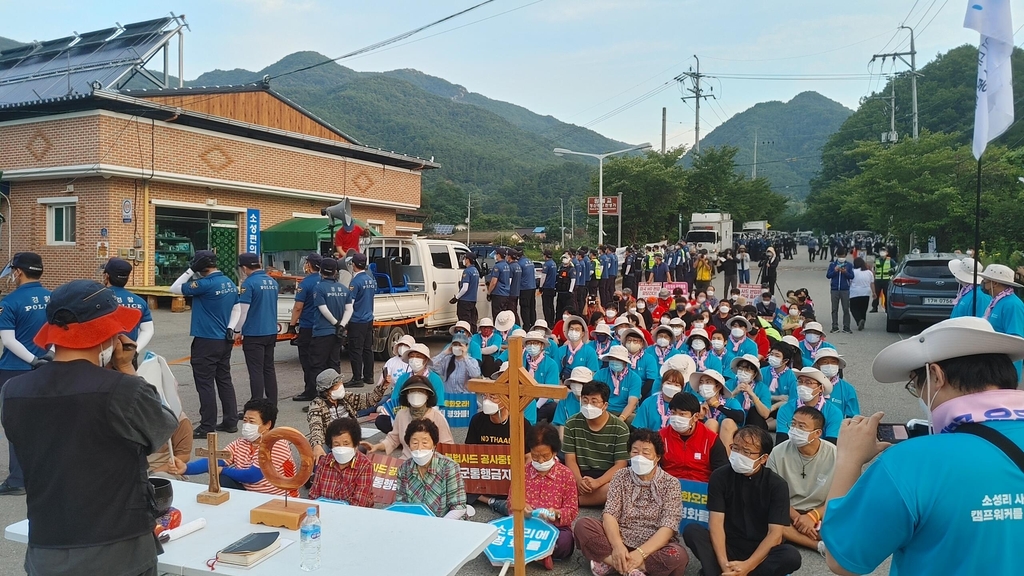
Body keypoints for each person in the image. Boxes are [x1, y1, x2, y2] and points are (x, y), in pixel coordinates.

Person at [822, 317, 1024, 575]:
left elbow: (842, 559)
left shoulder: (911, 461)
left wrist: (848, 459)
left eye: (915, 385)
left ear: (936, 376)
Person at [2, 279, 178, 573]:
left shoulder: (14, 391)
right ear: (106, 336)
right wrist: (125, 369)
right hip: (118, 547)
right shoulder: (123, 390)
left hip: (47, 545)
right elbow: (163, 427)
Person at [682, 426, 802, 576]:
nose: (739, 455)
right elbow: (716, 524)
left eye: (747, 452)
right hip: (728, 544)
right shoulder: (720, 476)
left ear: (763, 458)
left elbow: (775, 534)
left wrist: (747, 566)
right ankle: (724, 571)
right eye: (735, 448)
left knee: (791, 556)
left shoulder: (777, 485)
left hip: (760, 549)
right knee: (692, 531)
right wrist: (724, 564)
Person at [574, 428, 688, 576]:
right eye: (635, 451)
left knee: (678, 555)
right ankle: (627, 566)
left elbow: (668, 526)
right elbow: (610, 514)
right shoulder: (620, 476)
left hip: (653, 547)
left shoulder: (671, 483)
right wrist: (617, 546)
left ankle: (619, 564)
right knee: (583, 525)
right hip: (620, 537)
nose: (639, 457)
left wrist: (640, 553)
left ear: (657, 457)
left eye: (646, 452)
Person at [171, 250, 240, 438]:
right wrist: (231, 328)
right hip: (224, 339)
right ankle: (230, 421)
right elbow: (237, 307)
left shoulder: (204, 284)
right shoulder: (228, 282)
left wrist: (189, 270)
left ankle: (207, 425)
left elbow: (174, 288)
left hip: (205, 340)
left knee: (205, 384)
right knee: (224, 380)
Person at [490, 423, 578, 569]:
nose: (541, 461)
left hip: (554, 527)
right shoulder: (522, 472)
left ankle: (528, 555)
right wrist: (521, 508)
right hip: (525, 525)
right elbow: (511, 501)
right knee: (496, 533)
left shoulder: (566, 475)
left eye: (545, 456)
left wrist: (556, 513)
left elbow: (572, 509)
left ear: (555, 452)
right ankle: (541, 556)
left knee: (565, 542)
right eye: (536, 457)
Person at [0, 253, 52, 495]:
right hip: (49, 367)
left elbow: (8, 340)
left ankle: (18, 479)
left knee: (15, 424)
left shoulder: (10, 301)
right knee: (44, 422)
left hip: (15, 370)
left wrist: (33, 359)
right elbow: (59, 330)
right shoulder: (53, 298)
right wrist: (48, 356)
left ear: (18, 272)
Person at [186, 398, 297, 495]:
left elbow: (253, 476)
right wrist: (185, 468)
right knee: (223, 479)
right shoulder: (242, 442)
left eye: (252, 422)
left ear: (267, 424)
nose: (247, 425)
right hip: (251, 493)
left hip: (275, 499)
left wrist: (222, 470)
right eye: (245, 420)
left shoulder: (276, 444)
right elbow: (216, 458)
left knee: (223, 476)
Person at [767, 406, 835, 554]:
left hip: (821, 511)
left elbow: (841, 494)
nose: (795, 429)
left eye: (801, 426)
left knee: (847, 520)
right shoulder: (778, 452)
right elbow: (773, 494)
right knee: (771, 522)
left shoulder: (835, 455)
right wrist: (799, 520)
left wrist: (813, 516)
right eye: (793, 424)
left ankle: (806, 535)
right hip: (788, 510)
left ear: (817, 433)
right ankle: (817, 546)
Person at [562, 381, 629, 507]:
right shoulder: (571, 424)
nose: (588, 405)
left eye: (594, 401)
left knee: (618, 487)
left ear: (605, 405)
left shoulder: (620, 428)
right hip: (580, 473)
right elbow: (570, 459)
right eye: (585, 400)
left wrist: (598, 482)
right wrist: (578, 481)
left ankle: (574, 501)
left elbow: (621, 464)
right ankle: (591, 498)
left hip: (606, 476)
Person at [394, 418, 468, 518]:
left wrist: (437, 525)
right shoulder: (404, 469)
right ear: (408, 445)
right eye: (415, 443)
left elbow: (459, 507)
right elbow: (401, 503)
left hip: (447, 523)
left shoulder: (449, 467)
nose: (420, 448)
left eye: (425, 443)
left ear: (434, 444)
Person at [307, 368, 389, 459]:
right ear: (326, 391)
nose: (341, 386)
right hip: (330, 442)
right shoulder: (316, 405)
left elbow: (369, 400)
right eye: (337, 385)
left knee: (362, 452)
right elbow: (316, 427)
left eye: (340, 383)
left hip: (348, 439)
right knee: (318, 459)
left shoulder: (346, 397)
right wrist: (317, 445)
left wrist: (382, 386)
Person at [232, 252, 280, 404]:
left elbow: (243, 311)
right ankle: (272, 403)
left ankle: (257, 405)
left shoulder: (249, 284)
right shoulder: (272, 282)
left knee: (256, 371)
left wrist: (237, 331)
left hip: (254, 332)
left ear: (245, 268)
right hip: (271, 331)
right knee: (269, 369)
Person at [366, 375, 454, 459]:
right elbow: (393, 439)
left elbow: (447, 446)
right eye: (412, 392)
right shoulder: (401, 414)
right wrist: (376, 446)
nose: (416, 395)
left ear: (428, 395)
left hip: (432, 465)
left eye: (421, 392)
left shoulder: (437, 417)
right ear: (406, 396)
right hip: (406, 463)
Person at [660, 391, 729, 482]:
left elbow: (722, 472)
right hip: (669, 487)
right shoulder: (661, 436)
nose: (676, 418)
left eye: (682, 414)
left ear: (695, 417)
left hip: (701, 489)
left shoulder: (711, 439)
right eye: (673, 413)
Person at [308, 417, 374, 506]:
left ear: (355, 444)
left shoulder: (365, 465)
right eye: (336, 444)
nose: (341, 448)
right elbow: (314, 495)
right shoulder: (324, 462)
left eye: (346, 444)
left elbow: (359, 503)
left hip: (354, 514)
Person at [287, 253, 323, 402]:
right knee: (320, 360)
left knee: (307, 360)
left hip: (307, 326)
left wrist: (292, 325)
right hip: (322, 326)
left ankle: (310, 391)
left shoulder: (305, 283)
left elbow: (298, 307)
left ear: (310, 265)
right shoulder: (325, 281)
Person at [775, 367, 843, 445]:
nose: (802, 386)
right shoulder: (785, 409)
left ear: (820, 388)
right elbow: (781, 442)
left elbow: (831, 444)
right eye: (800, 382)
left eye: (808, 382)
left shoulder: (834, 413)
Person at [979, 263, 1024, 380]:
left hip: (1004, 370)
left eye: (986, 281)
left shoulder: (1012, 304)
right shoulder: (997, 301)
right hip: (993, 366)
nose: (984, 284)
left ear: (995, 283)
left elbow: (1015, 339)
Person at [309, 257, 350, 382]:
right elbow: (349, 309)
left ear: (321, 270)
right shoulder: (344, 289)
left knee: (318, 364)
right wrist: (342, 325)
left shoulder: (319, 288)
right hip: (338, 333)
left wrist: (335, 323)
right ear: (335, 271)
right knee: (334, 363)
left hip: (322, 331)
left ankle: (319, 394)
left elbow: (323, 309)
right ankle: (336, 393)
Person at [101, 257, 154, 353]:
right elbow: (147, 330)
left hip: (101, 355)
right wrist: (135, 350)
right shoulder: (140, 302)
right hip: (128, 356)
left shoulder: (96, 298)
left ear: (107, 276)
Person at [347, 253, 378, 386]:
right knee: (367, 349)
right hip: (368, 319)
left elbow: (350, 303)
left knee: (355, 349)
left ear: (354, 265)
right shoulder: (370, 280)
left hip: (357, 320)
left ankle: (357, 378)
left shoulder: (355, 282)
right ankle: (369, 376)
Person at [593, 345, 642, 421]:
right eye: (612, 359)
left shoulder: (635, 378)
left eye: (618, 359)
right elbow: (595, 397)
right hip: (604, 410)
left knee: (633, 420)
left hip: (625, 412)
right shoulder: (600, 374)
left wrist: (621, 418)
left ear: (625, 362)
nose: (615, 362)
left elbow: (632, 404)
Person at [632, 365, 686, 432]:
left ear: (681, 388)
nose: (672, 387)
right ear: (662, 384)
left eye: (677, 385)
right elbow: (639, 428)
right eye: (669, 383)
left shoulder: (685, 406)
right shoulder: (648, 403)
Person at [813, 349, 861, 419]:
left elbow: (853, 417)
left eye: (833, 362)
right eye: (825, 362)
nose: (829, 365)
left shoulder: (848, 389)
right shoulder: (808, 385)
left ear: (838, 365)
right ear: (817, 365)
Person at [552, 366, 594, 433]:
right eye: (574, 382)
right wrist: (563, 442)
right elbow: (562, 426)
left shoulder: (595, 401)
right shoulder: (564, 399)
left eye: (581, 383)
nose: (577, 385)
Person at [826, 248, 855, 334]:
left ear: (845, 256)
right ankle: (835, 326)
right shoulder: (832, 265)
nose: (841, 257)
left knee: (846, 308)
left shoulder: (849, 265)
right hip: (834, 289)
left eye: (842, 256)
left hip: (845, 289)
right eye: (839, 256)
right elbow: (828, 275)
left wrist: (845, 272)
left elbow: (852, 276)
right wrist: (835, 271)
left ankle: (846, 327)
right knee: (834, 309)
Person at [453, 251, 480, 330]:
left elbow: (465, 288)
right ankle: (473, 336)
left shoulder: (467, 271)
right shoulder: (475, 270)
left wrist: (456, 297)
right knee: (472, 320)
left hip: (465, 300)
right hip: (472, 300)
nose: (464, 260)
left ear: (468, 260)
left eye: (465, 258)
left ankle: (466, 338)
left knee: (464, 322)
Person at [849, 256, 874, 331]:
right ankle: (863, 320)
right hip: (866, 293)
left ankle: (859, 320)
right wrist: (874, 292)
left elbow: (849, 282)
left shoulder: (853, 272)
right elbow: (872, 283)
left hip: (854, 293)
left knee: (853, 308)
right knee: (863, 309)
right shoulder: (869, 272)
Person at [870, 247, 895, 313]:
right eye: (881, 251)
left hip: (886, 280)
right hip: (878, 280)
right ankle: (874, 307)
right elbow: (873, 269)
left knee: (887, 295)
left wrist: (892, 272)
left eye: (884, 251)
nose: (882, 253)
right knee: (876, 294)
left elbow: (895, 268)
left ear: (887, 253)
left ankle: (887, 308)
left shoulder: (890, 260)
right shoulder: (877, 260)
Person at [518, 249, 537, 327]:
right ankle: (533, 324)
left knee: (525, 308)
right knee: (532, 307)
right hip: (532, 287)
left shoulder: (519, 263)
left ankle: (526, 325)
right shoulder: (530, 261)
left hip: (524, 288)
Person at [554, 252, 576, 319]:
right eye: (563, 258)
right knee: (559, 310)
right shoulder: (560, 268)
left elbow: (573, 280)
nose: (564, 259)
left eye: (565, 258)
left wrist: (570, 291)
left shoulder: (571, 269)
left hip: (567, 293)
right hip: (560, 292)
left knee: (567, 310)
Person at [540, 250, 558, 325]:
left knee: (546, 306)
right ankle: (551, 321)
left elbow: (543, 277)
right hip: (552, 287)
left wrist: (541, 286)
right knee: (551, 305)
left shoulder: (546, 264)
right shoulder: (554, 263)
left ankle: (547, 321)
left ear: (545, 255)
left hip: (546, 287)